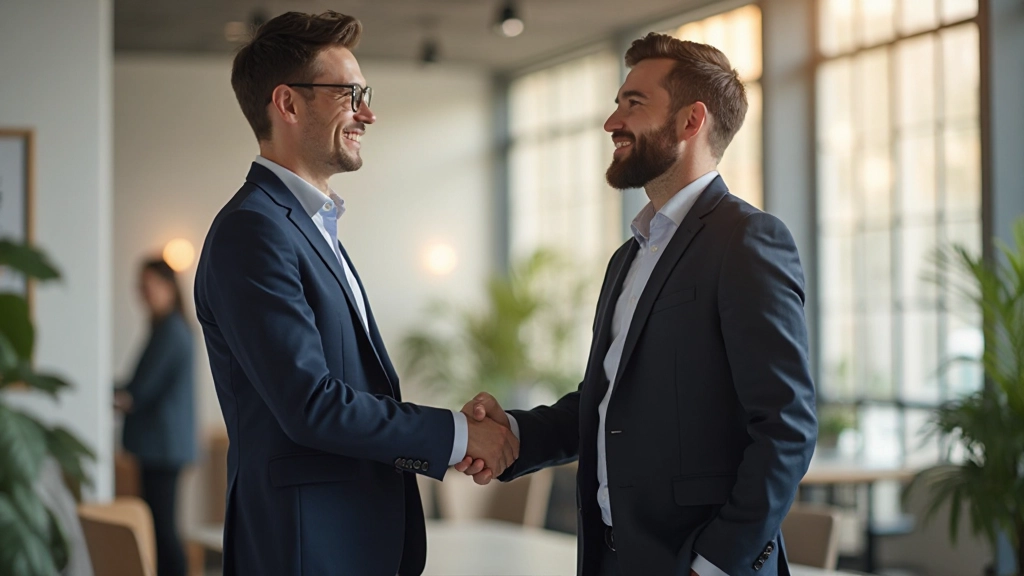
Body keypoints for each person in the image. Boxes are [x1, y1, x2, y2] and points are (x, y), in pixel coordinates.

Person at [456, 33, 818, 576]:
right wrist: (512, 432)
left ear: (691, 121)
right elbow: (604, 406)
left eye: (634, 103)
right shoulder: (629, 257)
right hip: (612, 559)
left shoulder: (747, 240)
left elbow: (786, 425)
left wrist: (716, 563)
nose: (611, 122)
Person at [193, 11, 518, 576]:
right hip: (308, 549)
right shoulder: (254, 229)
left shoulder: (308, 226)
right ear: (288, 104)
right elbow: (311, 405)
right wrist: (460, 433)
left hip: (347, 542)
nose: (368, 112)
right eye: (350, 94)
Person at [115, 258, 196, 576]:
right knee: (161, 527)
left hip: (163, 446)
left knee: (162, 530)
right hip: (162, 445)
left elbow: (141, 390)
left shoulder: (171, 331)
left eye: (148, 286)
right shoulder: (166, 328)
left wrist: (113, 396)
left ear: (168, 287)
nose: (143, 294)